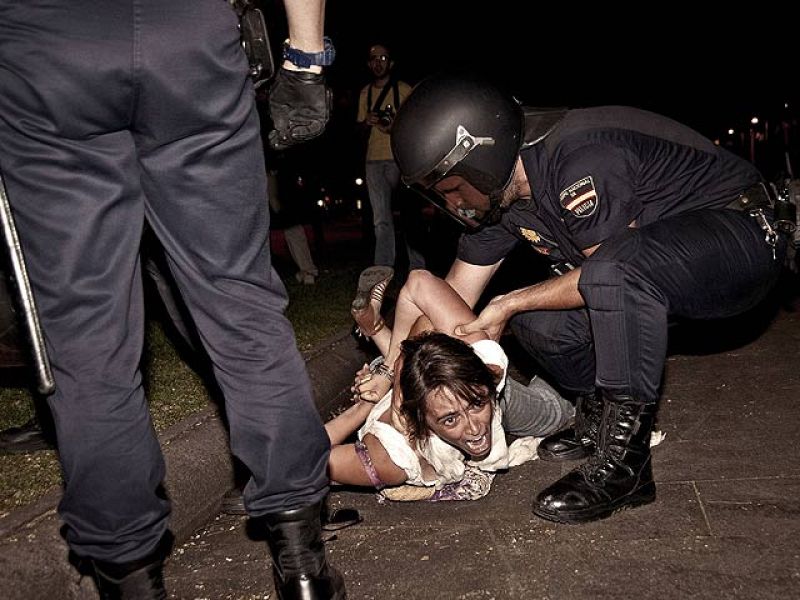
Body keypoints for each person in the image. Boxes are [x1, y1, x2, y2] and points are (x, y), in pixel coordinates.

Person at [0, 1, 345, 599]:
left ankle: (130, 579)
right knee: (238, 297)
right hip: (189, 36)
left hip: (48, 43)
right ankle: (302, 562)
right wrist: (305, 60)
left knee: (87, 329)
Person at [389, 74, 791, 524]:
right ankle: (599, 419)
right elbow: (454, 296)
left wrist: (509, 302)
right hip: (656, 269)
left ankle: (625, 465)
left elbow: (606, 271)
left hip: (742, 239)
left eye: (452, 187)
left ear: (481, 156)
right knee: (538, 325)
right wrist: (397, 374)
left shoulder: (580, 156)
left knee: (595, 278)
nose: (453, 202)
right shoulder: (504, 200)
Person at [327, 268, 572, 500]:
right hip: (401, 406)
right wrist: (360, 410)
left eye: (476, 404)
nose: (475, 429)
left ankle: (376, 331)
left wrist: (392, 370)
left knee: (559, 404)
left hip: (437, 386)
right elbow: (301, 462)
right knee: (557, 404)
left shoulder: (483, 364)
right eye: (450, 419)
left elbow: (420, 287)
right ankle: (378, 335)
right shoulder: (392, 458)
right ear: (421, 420)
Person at [356, 44, 424, 271]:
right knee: (381, 220)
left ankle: (418, 266)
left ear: (391, 63)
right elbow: (358, 130)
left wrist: (394, 126)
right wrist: (367, 122)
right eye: (374, 59)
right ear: (368, 64)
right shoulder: (365, 93)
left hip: (400, 159)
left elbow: (417, 124)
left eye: (383, 58)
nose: (378, 63)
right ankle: (383, 267)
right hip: (373, 161)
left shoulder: (404, 89)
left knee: (410, 214)